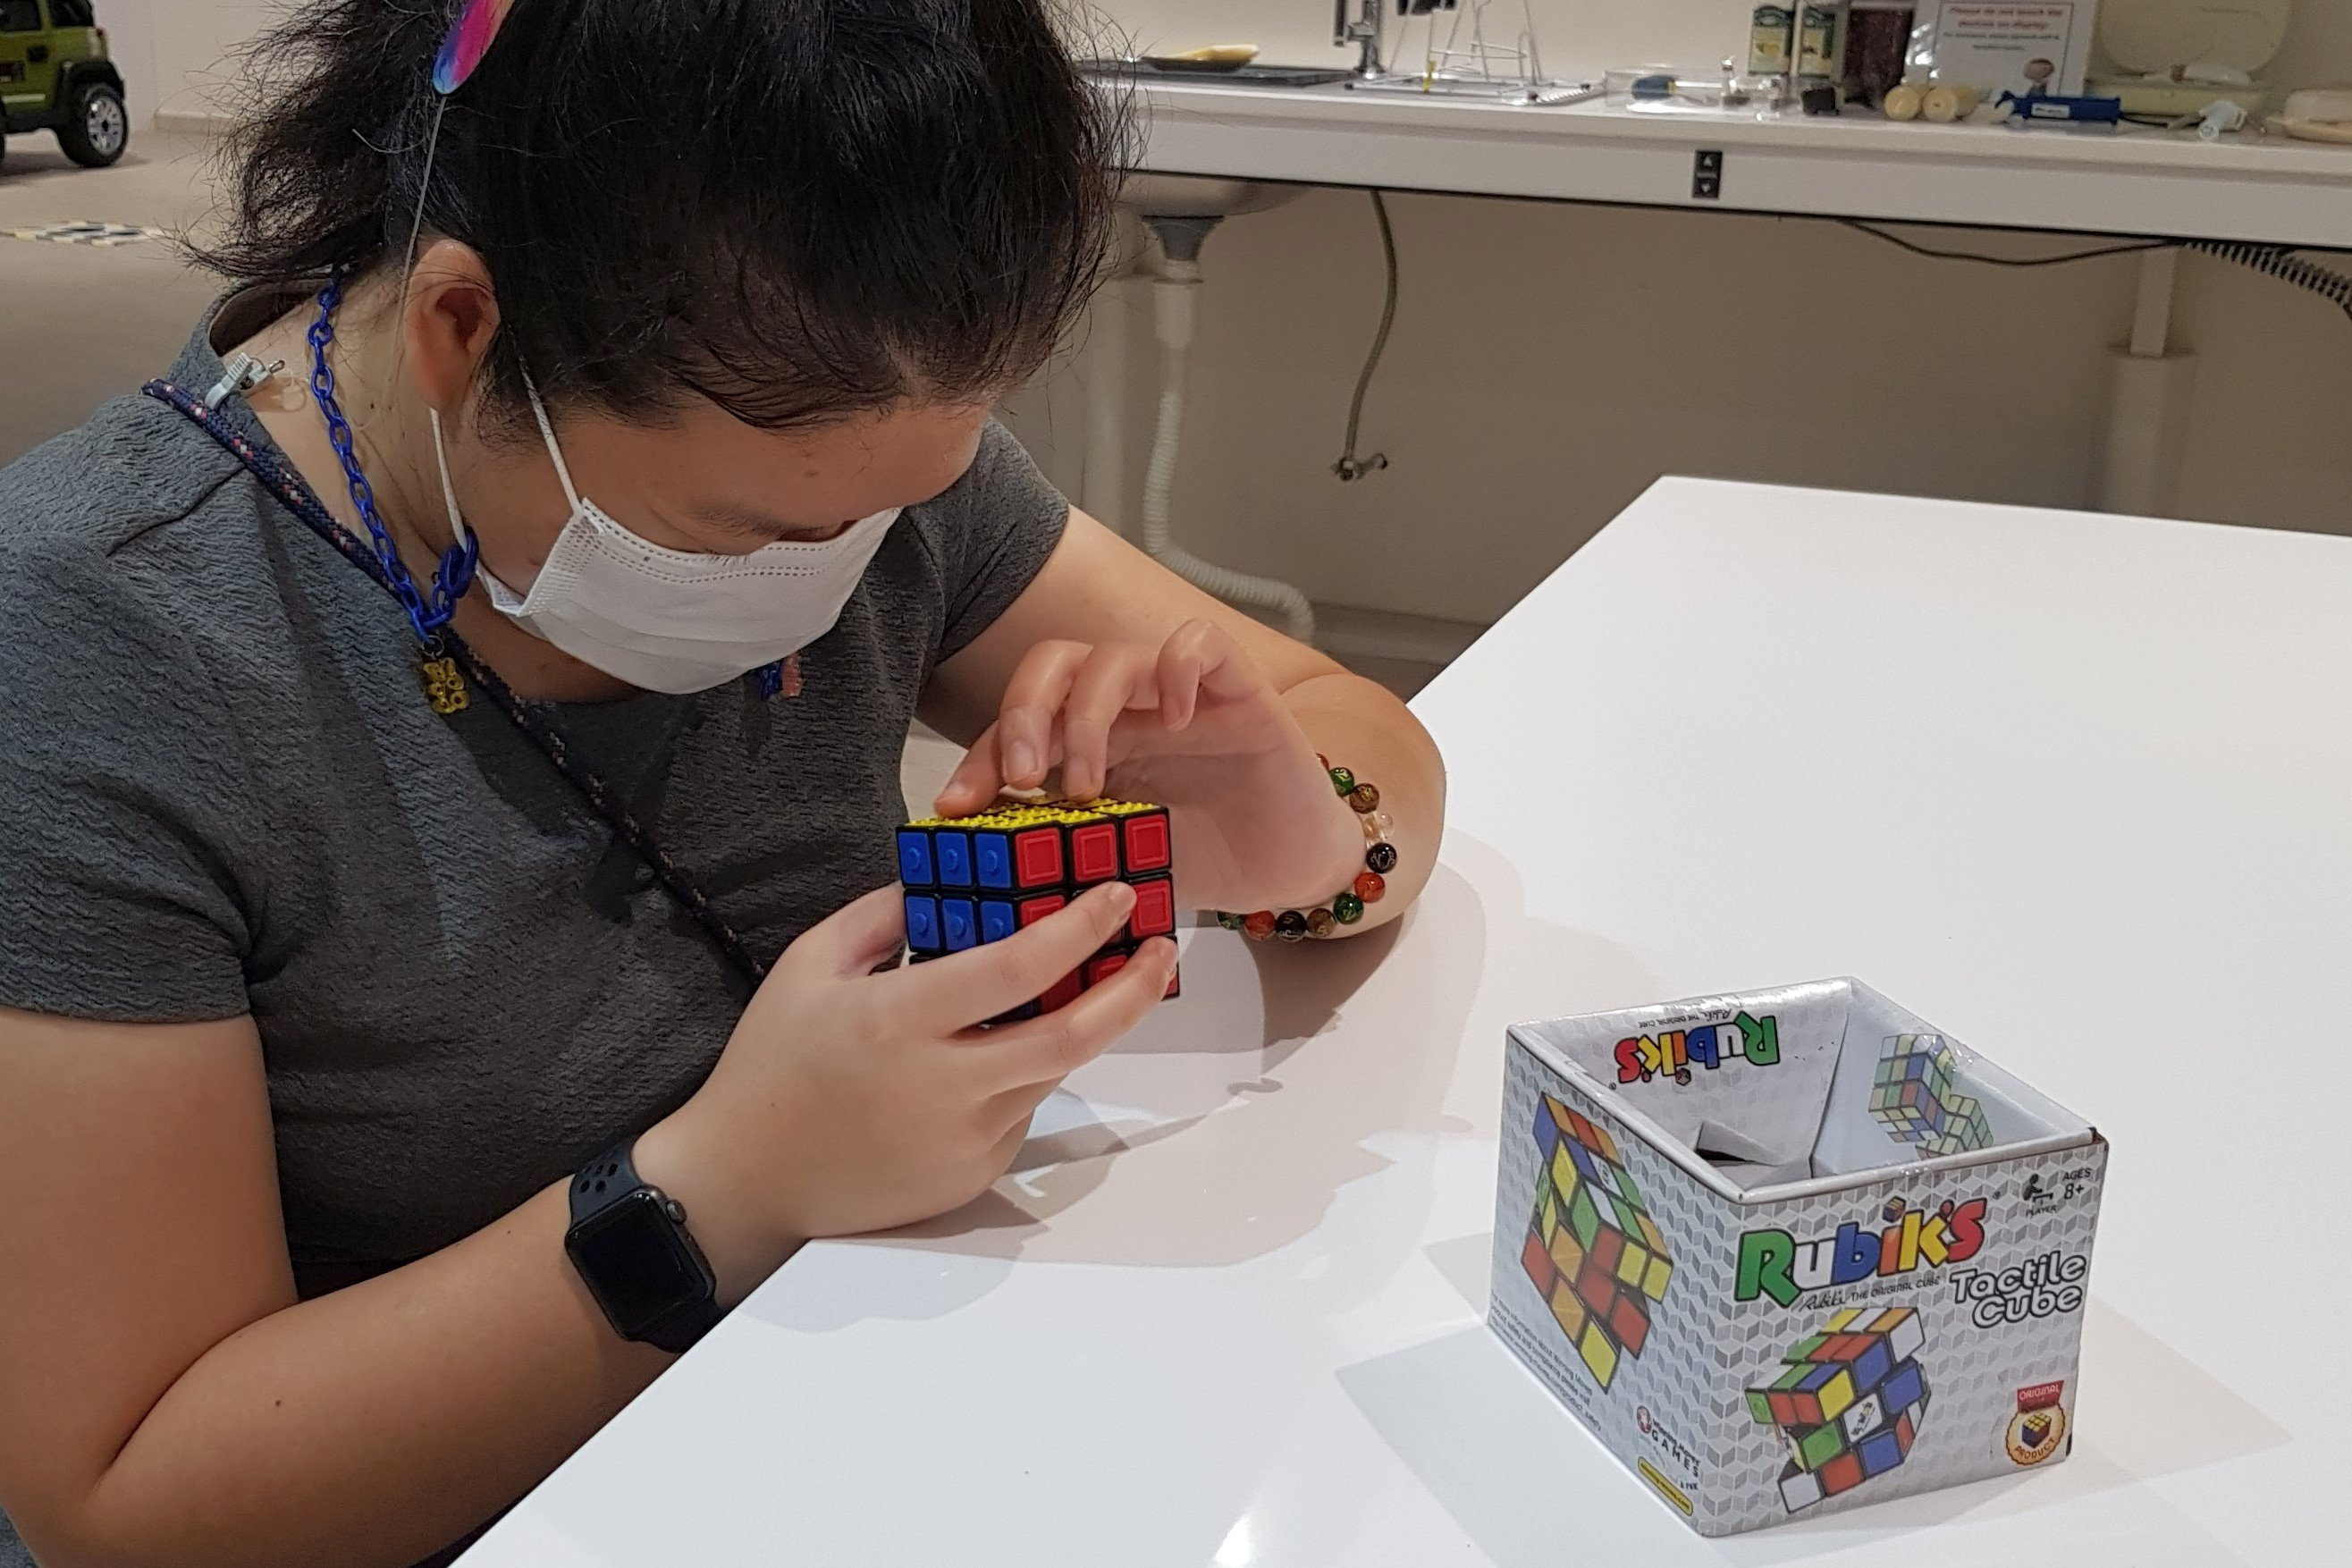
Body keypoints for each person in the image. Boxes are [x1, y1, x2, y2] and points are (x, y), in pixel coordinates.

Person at [0, 3, 1445, 1564]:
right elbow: (126, 1502)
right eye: (746, 535)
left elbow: (1365, 740)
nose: (833, 581)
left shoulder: (858, 453)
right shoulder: (102, 633)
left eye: (904, 507)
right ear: (462, 327)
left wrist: (1300, 838)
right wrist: (723, 1190)